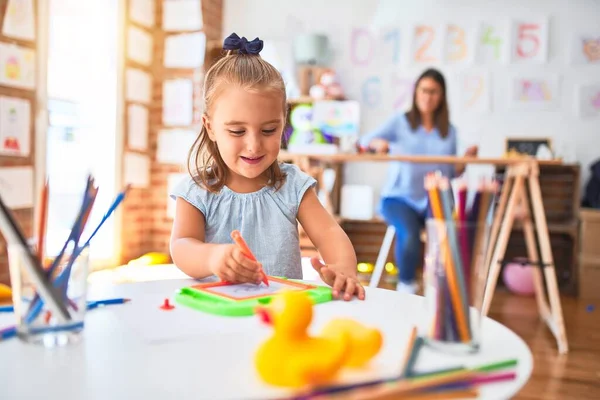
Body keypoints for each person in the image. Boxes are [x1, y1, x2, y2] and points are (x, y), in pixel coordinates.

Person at [169, 33, 365, 301]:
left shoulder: (293, 185)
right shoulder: (197, 191)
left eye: (269, 130)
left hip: (283, 317)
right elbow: (181, 247)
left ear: (283, 123)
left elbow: (329, 233)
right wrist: (212, 256)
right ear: (210, 127)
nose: (254, 146)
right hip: (218, 318)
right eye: (237, 131)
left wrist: (343, 270)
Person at [357, 68, 478, 294]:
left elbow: (450, 173)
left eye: (433, 92)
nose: (427, 96)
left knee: (445, 234)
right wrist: (378, 145)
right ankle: (407, 287)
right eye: (423, 90)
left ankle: (440, 291)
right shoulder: (400, 122)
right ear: (416, 92)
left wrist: (465, 162)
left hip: (434, 198)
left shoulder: (449, 132)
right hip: (399, 199)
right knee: (410, 234)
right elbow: (365, 141)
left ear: (441, 96)